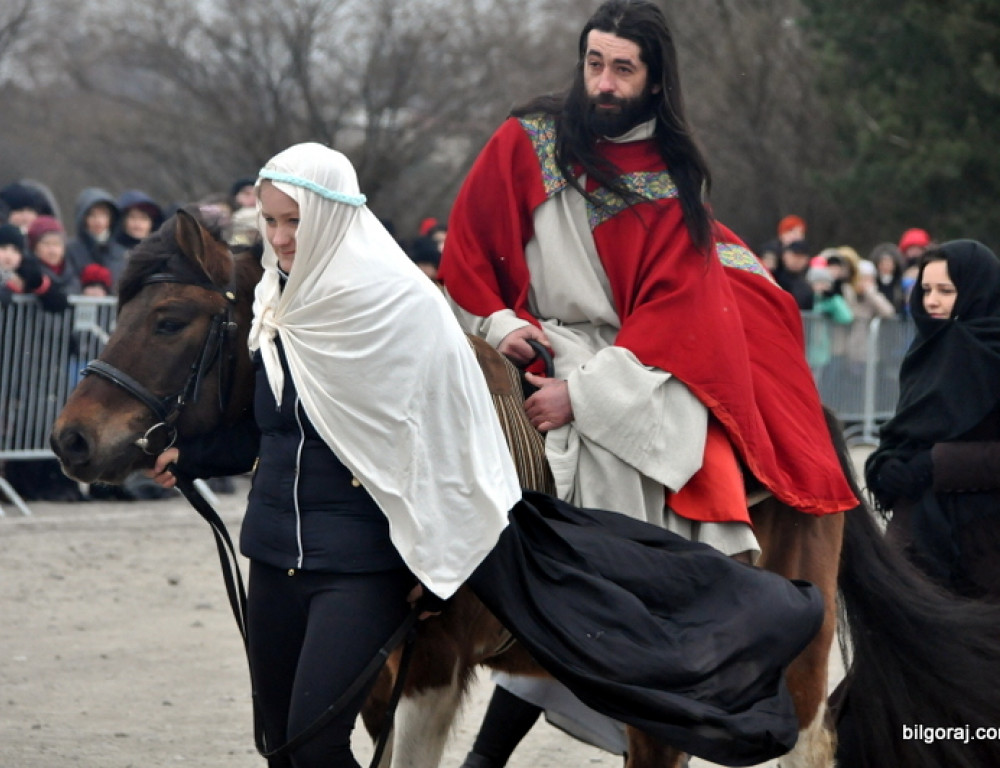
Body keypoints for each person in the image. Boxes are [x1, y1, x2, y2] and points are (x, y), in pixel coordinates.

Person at [437, 1, 855, 763]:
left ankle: (658, 646)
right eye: (594, 63)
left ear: (655, 81)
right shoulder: (526, 138)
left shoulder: (673, 176)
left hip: (633, 360)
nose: (603, 81)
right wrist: (496, 324)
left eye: (622, 69)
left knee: (644, 470)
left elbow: (673, 316)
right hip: (527, 334)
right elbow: (468, 249)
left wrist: (584, 396)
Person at [146, 142, 521, 768]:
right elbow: (274, 429)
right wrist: (189, 457)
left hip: (360, 565)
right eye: (270, 220)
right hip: (273, 554)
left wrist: (439, 562)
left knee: (316, 748)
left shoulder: (404, 306)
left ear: (335, 214)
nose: (280, 238)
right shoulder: (275, 299)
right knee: (278, 747)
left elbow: (450, 443)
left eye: (296, 220)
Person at [866, 240, 1000, 601]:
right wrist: (886, 465)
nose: (932, 301)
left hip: (982, 541)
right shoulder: (927, 349)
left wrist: (936, 464)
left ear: (976, 289)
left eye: (946, 290)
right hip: (916, 529)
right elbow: (906, 430)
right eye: (926, 289)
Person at [0, 223, 67, 312]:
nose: (8, 256)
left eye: (16, 251)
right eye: (3, 248)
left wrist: (38, 283)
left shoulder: (25, 274)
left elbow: (60, 303)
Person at [65, 187, 127, 285]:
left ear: (111, 218)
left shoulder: (121, 253)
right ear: (83, 218)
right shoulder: (70, 250)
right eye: (92, 215)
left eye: (103, 215)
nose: (98, 221)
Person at [28, 215, 81, 295]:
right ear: (34, 247)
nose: (52, 250)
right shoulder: (30, 275)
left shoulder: (74, 272)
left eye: (57, 244)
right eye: (46, 244)